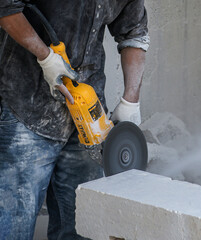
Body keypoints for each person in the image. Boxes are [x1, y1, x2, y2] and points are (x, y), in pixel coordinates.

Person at [0, 0, 149, 239]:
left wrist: (131, 101)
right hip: (27, 107)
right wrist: (45, 57)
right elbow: (6, 7)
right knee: (13, 223)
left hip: (87, 119)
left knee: (82, 224)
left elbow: (134, 33)